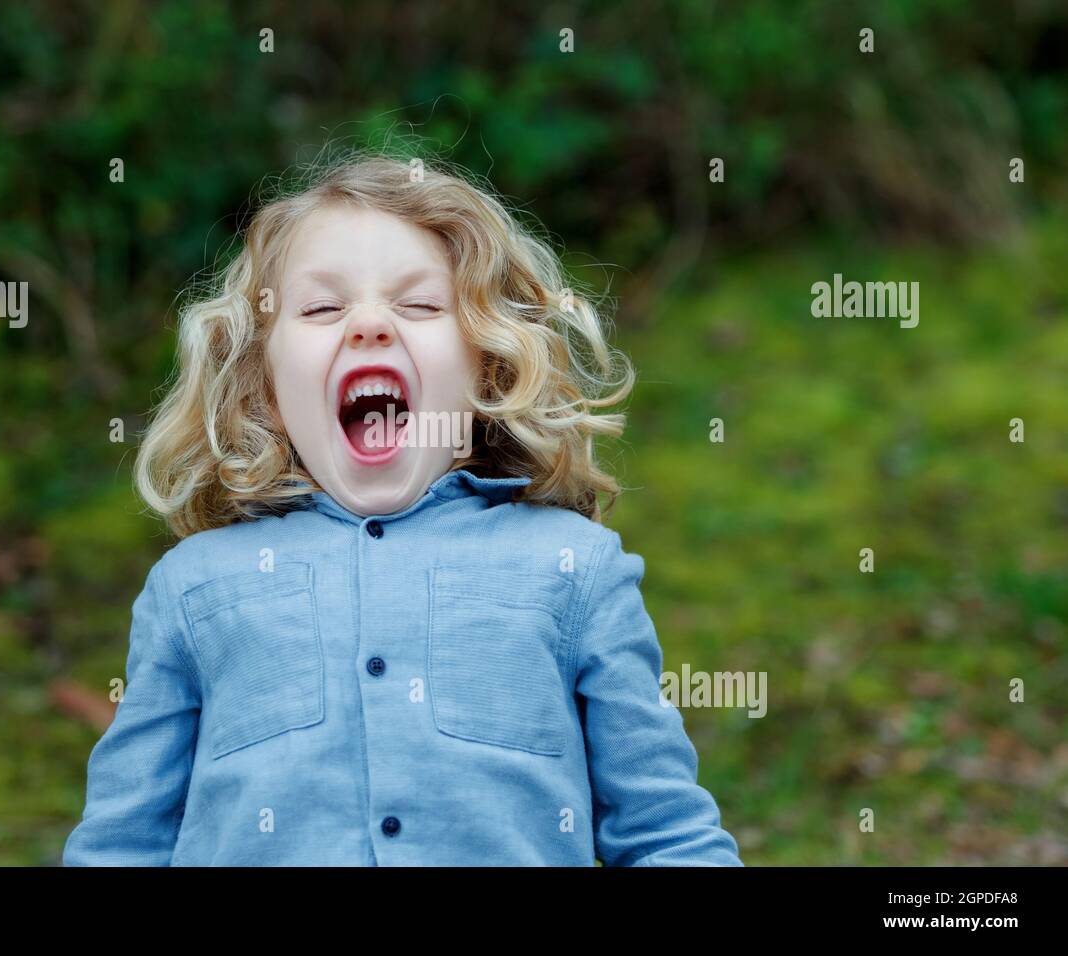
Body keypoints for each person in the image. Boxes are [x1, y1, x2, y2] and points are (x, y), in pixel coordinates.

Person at [62, 153, 743, 866]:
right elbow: (121, 846)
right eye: (323, 308)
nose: (368, 325)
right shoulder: (191, 588)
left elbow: (667, 834)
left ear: (489, 365)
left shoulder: (574, 568)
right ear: (262, 386)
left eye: (418, 305)